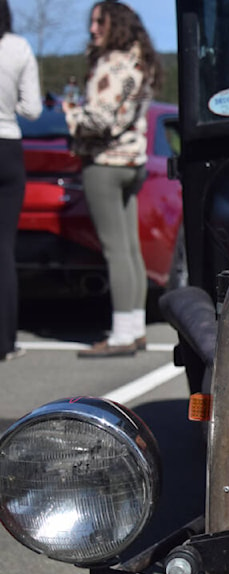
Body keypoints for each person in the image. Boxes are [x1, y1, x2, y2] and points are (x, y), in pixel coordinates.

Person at [64, 1, 162, 357]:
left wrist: (71, 113)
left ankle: (121, 335)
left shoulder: (112, 63)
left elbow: (99, 120)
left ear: (115, 24)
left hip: (104, 163)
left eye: (98, 22)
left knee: (116, 249)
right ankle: (134, 329)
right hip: (133, 162)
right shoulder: (141, 61)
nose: (92, 29)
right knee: (130, 249)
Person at [0, 0, 42, 362]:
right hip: (7, 146)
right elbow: (32, 109)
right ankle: (5, 342)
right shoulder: (17, 47)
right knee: (4, 248)